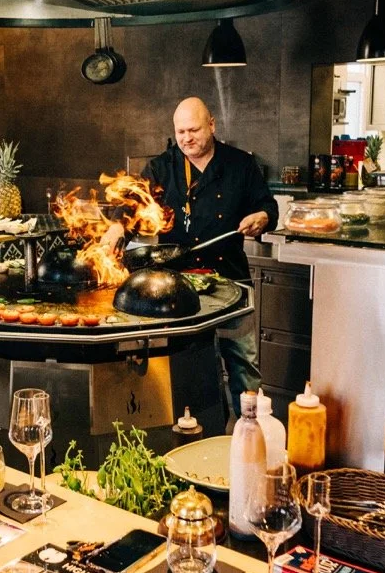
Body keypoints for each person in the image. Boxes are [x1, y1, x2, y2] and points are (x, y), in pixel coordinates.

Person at [103, 96, 277, 419]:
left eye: (194, 130)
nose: (187, 138)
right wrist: (116, 227)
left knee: (243, 367)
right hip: (176, 288)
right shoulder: (163, 166)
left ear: (211, 125)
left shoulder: (240, 164)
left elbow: (267, 205)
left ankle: (249, 433)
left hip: (231, 281)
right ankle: (196, 434)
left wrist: (263, 218)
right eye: (180, 132)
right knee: (187, 370)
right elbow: (132, 202)